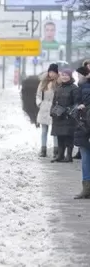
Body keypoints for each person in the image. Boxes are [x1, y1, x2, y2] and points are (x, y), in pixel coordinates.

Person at [50, 69, 78, 163]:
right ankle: (60, 155)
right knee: (60, 136)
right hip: (58, 117)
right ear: (60, 76)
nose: (64, 77)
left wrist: (67, 110)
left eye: (66, 75)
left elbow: (77, 103)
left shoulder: (74, 88)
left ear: (70, 76)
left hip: (69, 117)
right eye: (63, 75)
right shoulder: (58, 88)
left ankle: (69, 156)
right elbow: (54, 102)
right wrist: (53, 111)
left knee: (69, 137)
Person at [73, 66, 90, 199]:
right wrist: (78, 107)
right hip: (84, 124)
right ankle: (86, 189)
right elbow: (76, 101)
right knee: (85, 158)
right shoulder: (81, 86)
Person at [36, 63, 59, 157]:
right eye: (50, 72)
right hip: (44, 108)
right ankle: (43, 149)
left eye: (53, 72)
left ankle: (56, 150)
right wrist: (39, 103)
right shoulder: (43, 82)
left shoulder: (58, 82)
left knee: (55, 131)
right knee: (44, 130)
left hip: (54, 108)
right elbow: (38, 95)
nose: (52, 74)